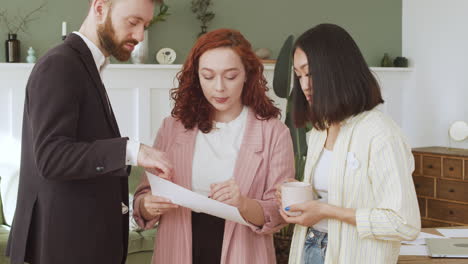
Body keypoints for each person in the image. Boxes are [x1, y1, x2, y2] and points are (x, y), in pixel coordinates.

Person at [6, 0, 173, 263]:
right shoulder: (61, 65)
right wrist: (131, 150)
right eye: (132, 22)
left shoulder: (85, 66)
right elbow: (51, 157)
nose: (140, 36)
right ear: (99, 8)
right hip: (64, 248)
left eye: (145, 25)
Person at [133, 28, 295, 264]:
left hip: (244, 252)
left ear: (247, 75)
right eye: (208, 76)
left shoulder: (274, 133)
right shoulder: (172, 128)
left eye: (230, 76)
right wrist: (148, 205)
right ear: (196, 77)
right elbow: (142, 200)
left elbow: (279, 213)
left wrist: (243, 203)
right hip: (177, 249)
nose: (219, 88)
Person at [276, 24, 420, 264]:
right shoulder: (319, 131)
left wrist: (327, 211)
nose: (304, 85)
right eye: (299, 75)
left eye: (309, 73)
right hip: (310, 246)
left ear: (338, 70)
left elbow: (404, 224)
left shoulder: (381, 133)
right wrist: (302, 194)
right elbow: (336, 191)